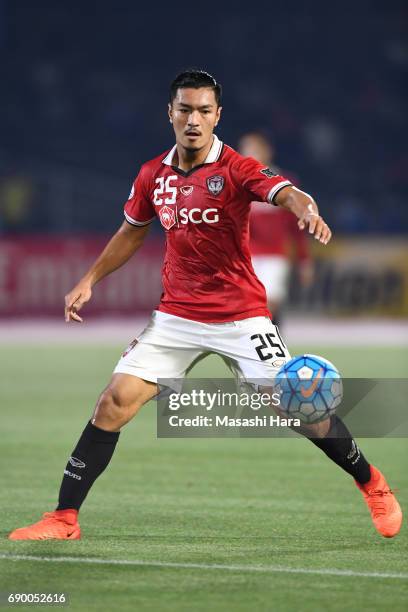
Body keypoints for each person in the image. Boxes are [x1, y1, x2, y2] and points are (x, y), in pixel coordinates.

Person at [9, 70, 401, 541]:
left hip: (241, 316)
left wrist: (305, 208)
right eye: (185, 109)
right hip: (176, 316)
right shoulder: (153, 173)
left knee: (302, 411)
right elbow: (132, 231)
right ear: (170, 113)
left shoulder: (236, 168)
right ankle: (64, 518)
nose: (193, 119)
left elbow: (283, 190)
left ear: (217, 117)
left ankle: (372, 483)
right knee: (112, 403)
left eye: (203, 111)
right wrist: (90, 278)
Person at [239, 131, 313, 327]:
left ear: (266, 152)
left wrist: (304, 260)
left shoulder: (283, 183)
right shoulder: (237, 184)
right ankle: (263, 347)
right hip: (246, 257)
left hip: (275, 255)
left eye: (254, 149)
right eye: (246, 150)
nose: (249, 154)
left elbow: (296, 226)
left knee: (270, 304)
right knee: (249, 308)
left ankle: (271, 347)